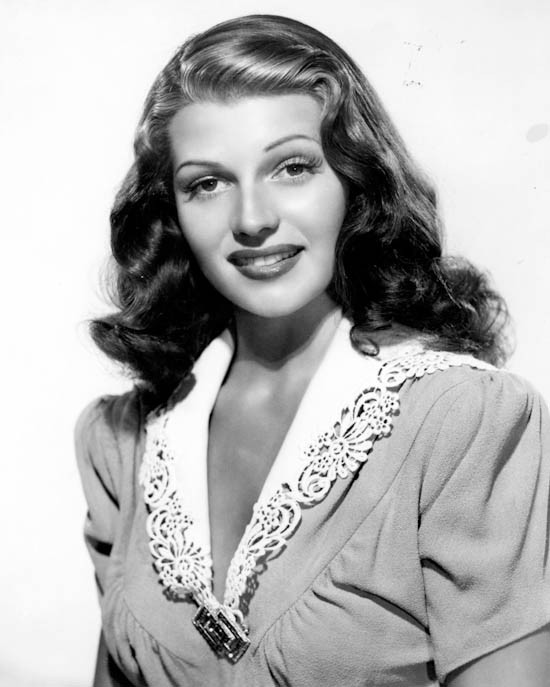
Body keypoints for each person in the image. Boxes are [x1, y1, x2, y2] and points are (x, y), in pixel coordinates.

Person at [75, 14, 550, 687]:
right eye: (207, 183)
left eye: (292, 167)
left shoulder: (462, 420)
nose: (252, 218)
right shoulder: (121, 442)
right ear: (170, 213)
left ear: (355, 182)